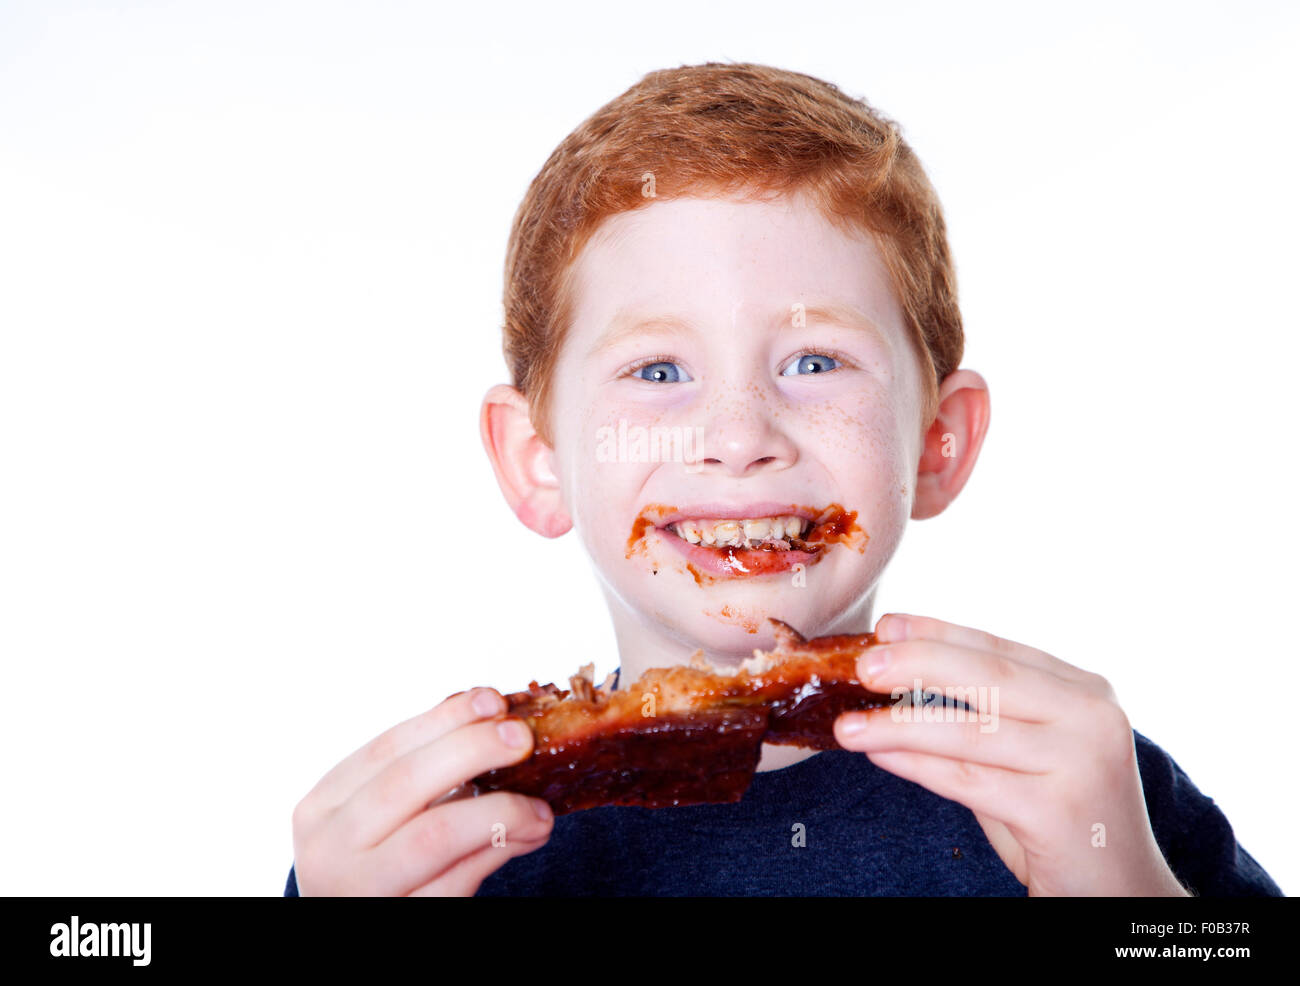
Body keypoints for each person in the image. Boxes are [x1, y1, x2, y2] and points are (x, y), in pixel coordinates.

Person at [284, 62, 1282, 897]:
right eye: (658, 371)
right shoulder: (423, 844)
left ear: (937, 440)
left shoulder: (1085, 790)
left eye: (813, 362)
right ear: (536, 461)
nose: (737, 434)